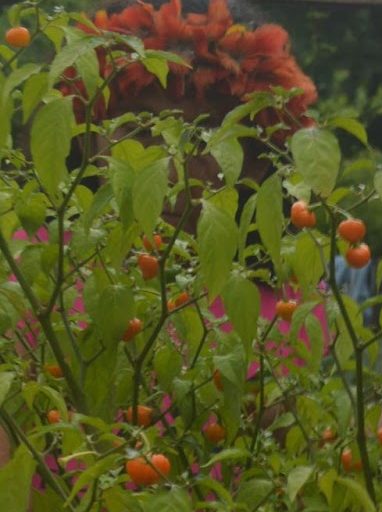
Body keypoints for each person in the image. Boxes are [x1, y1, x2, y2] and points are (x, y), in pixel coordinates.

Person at [0, 0, 323, 461]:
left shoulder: (290, 306)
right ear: (89, 136)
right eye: (143, 128)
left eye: (210, 135)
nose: (173, 170)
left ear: (259, 157)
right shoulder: (28, 278)